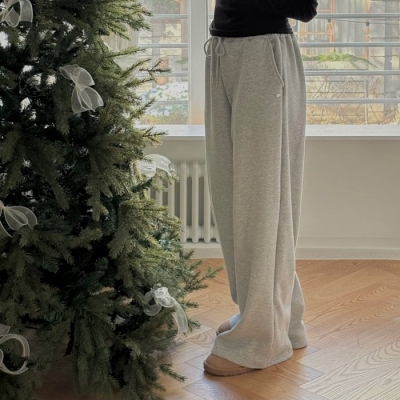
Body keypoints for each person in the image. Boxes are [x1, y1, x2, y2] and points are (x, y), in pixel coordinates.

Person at [203, 0, 319, 376]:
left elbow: (305, 7)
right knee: (232, 197)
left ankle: (261, 339)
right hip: (224, 48)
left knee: (261, 201)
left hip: (262, 55)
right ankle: (276, 318)